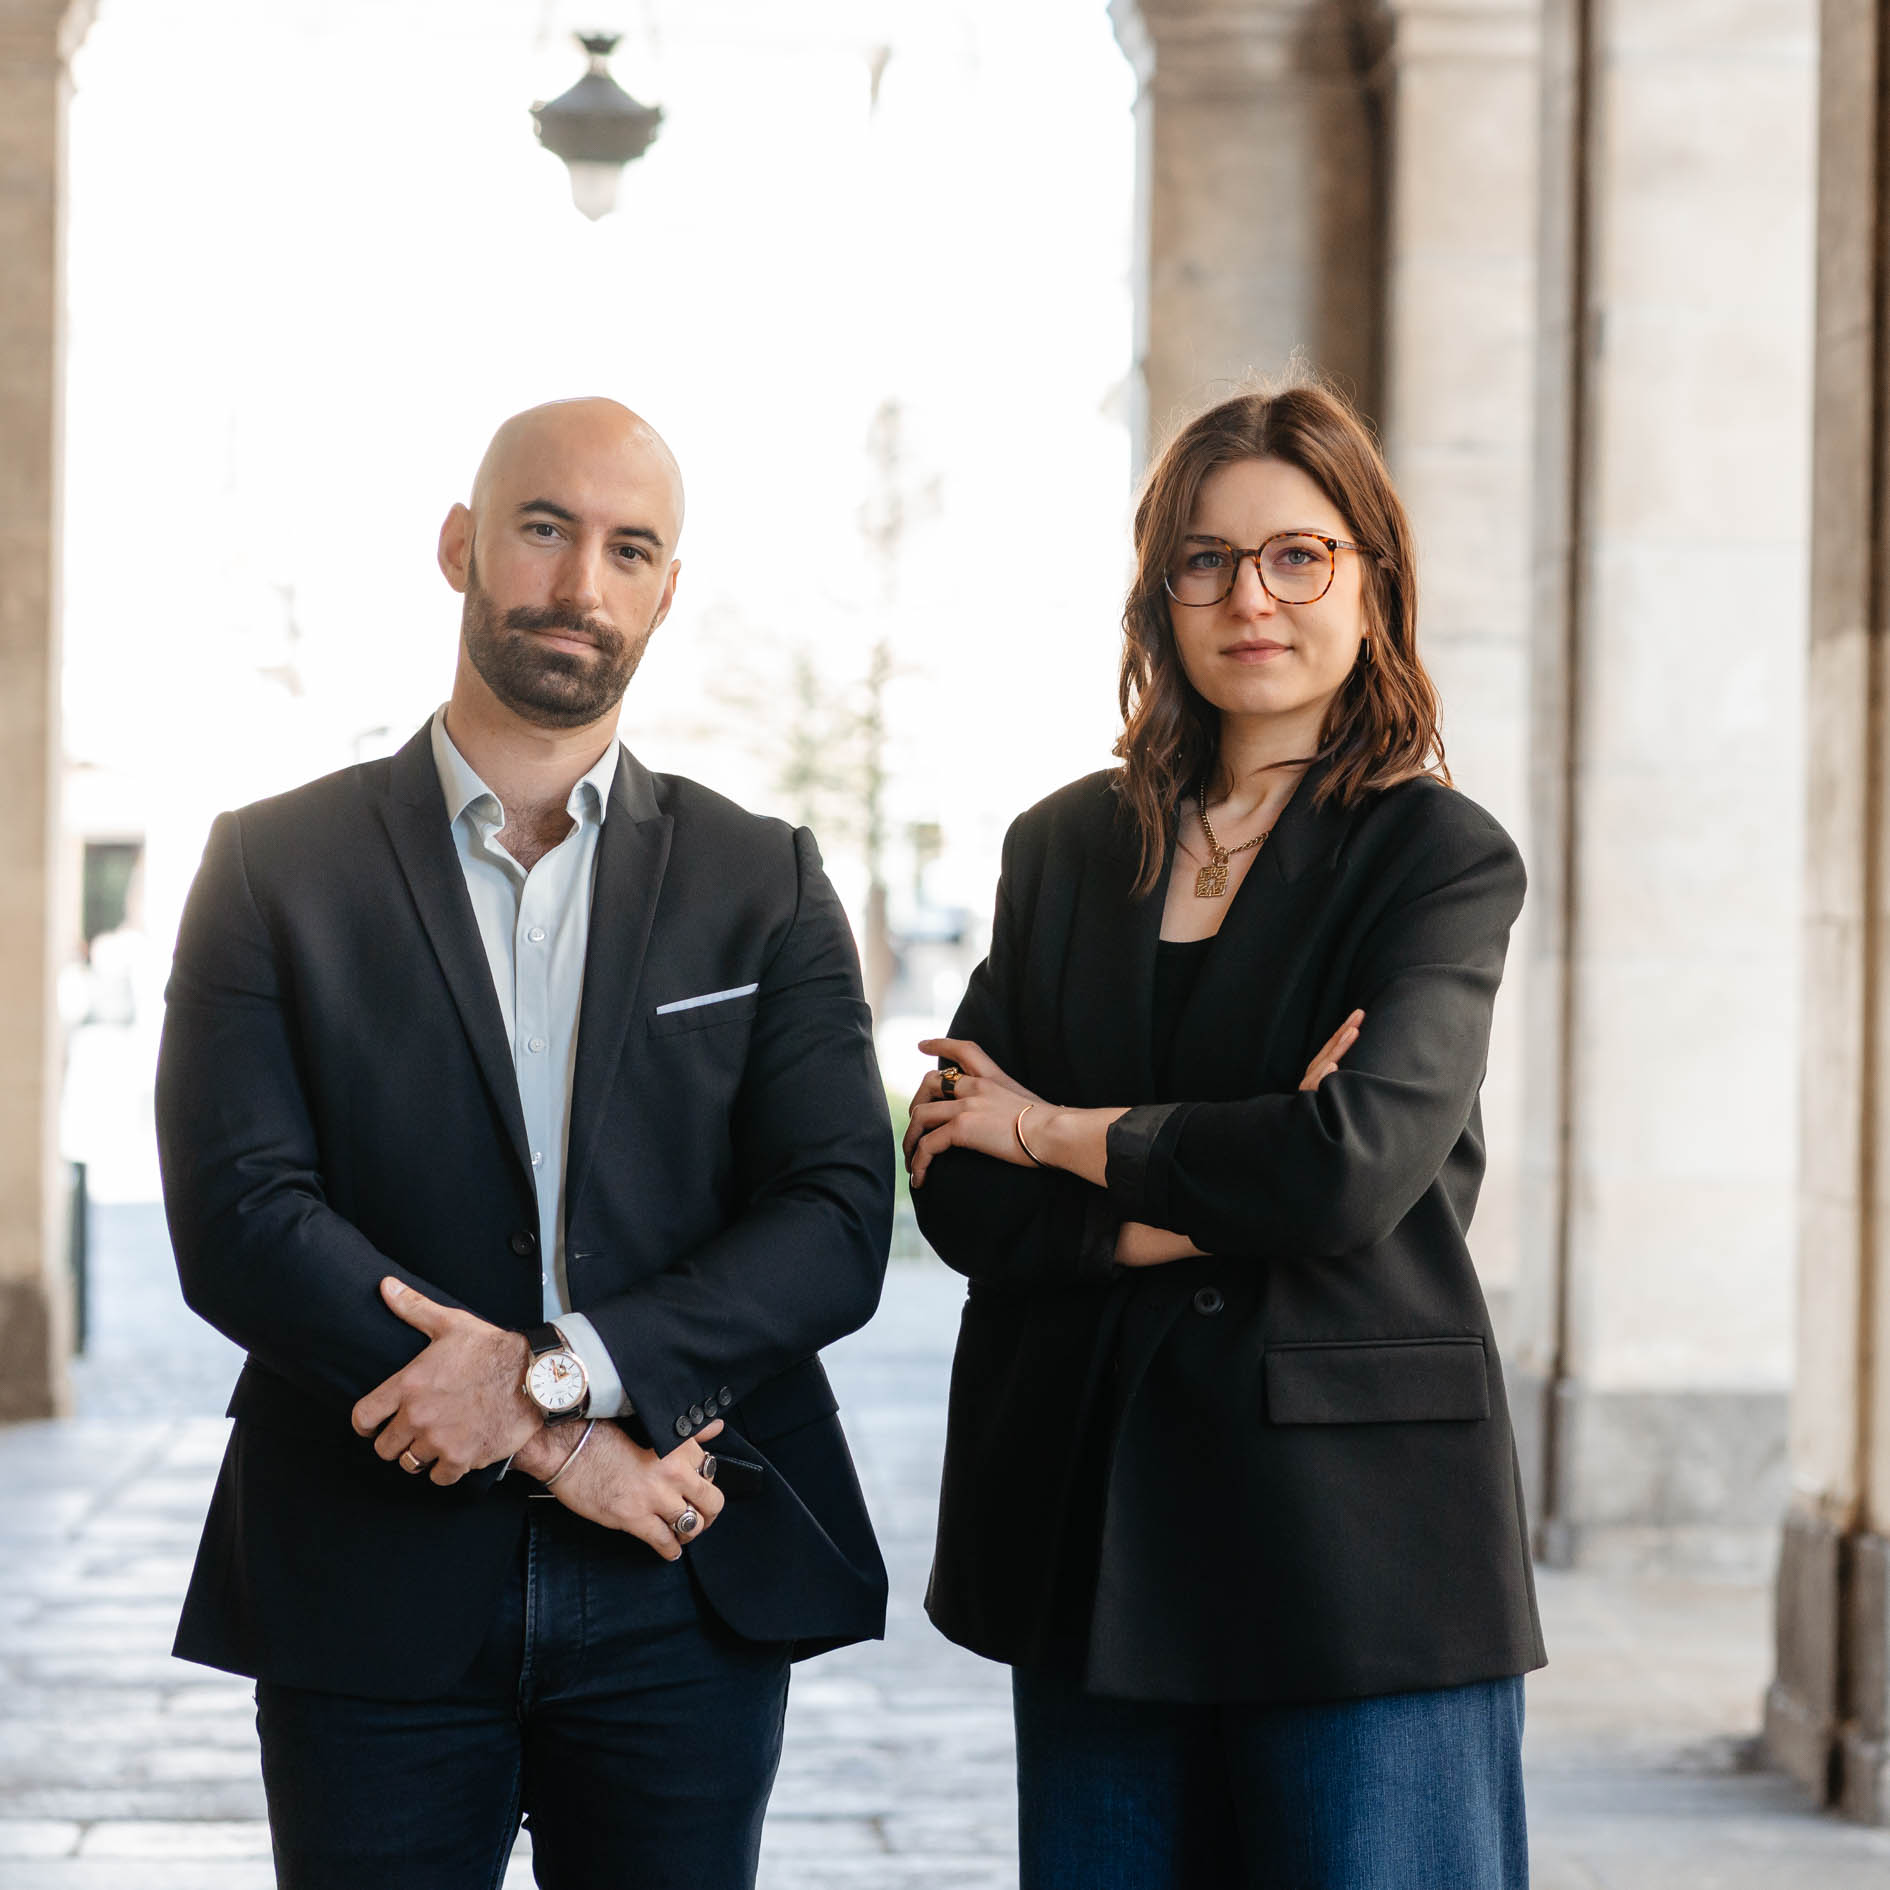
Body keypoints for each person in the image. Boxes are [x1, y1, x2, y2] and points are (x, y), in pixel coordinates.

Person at [156, 398, 894, 1890]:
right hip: (366, 1566)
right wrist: (565, 1447)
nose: (580, 586)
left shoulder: (764, 877)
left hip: (680, 1563)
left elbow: (831, 1217)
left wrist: (552, 1380)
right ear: (462, 547)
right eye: (544, 530)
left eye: (630, 549)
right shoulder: (269, 863)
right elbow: (239, 1214)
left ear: (666, 590)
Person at [903, 382, 1542, 1890]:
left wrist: (1050, 1125)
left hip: (1354, 1551)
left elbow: (1342, 1171)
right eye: (1204, 560)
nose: (1249, 596)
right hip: (1090, 1533)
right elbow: (958, 1193)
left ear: (1370, 578)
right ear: (1159, 593)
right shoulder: (1062, 847)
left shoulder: (1435, 858)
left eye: (1297, 555)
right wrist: (1228, 1166)